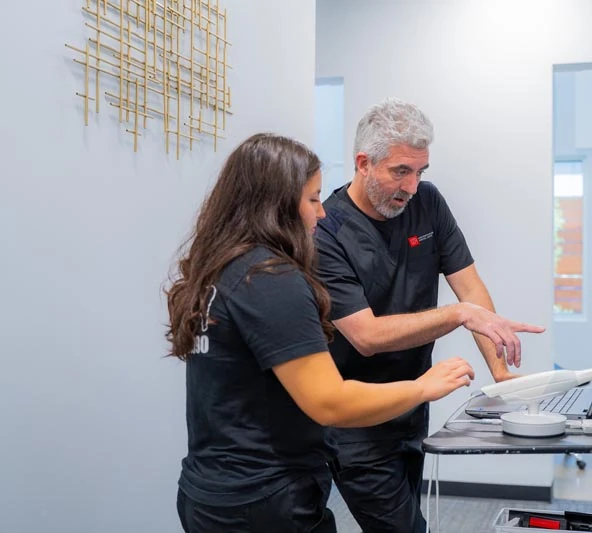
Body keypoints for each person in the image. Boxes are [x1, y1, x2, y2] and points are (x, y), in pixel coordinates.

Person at [164, 133, 475, 533]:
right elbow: (330, 402)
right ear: (276, 205)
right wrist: (425, 387)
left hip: (210, 490)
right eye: (312, 199)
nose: (322, 213)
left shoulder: (221, 269)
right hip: (264, 498)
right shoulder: (270, 279)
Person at [315, 99, 546, 533]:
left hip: (413, 404)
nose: (412, 186)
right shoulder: (328, 232)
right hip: (357, 420)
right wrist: (459, 315)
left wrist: (500, 372)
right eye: (400, 171)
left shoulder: (427, 202)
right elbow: (365, 335)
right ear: (363, 163)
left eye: (420, 171)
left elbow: (470, 287)